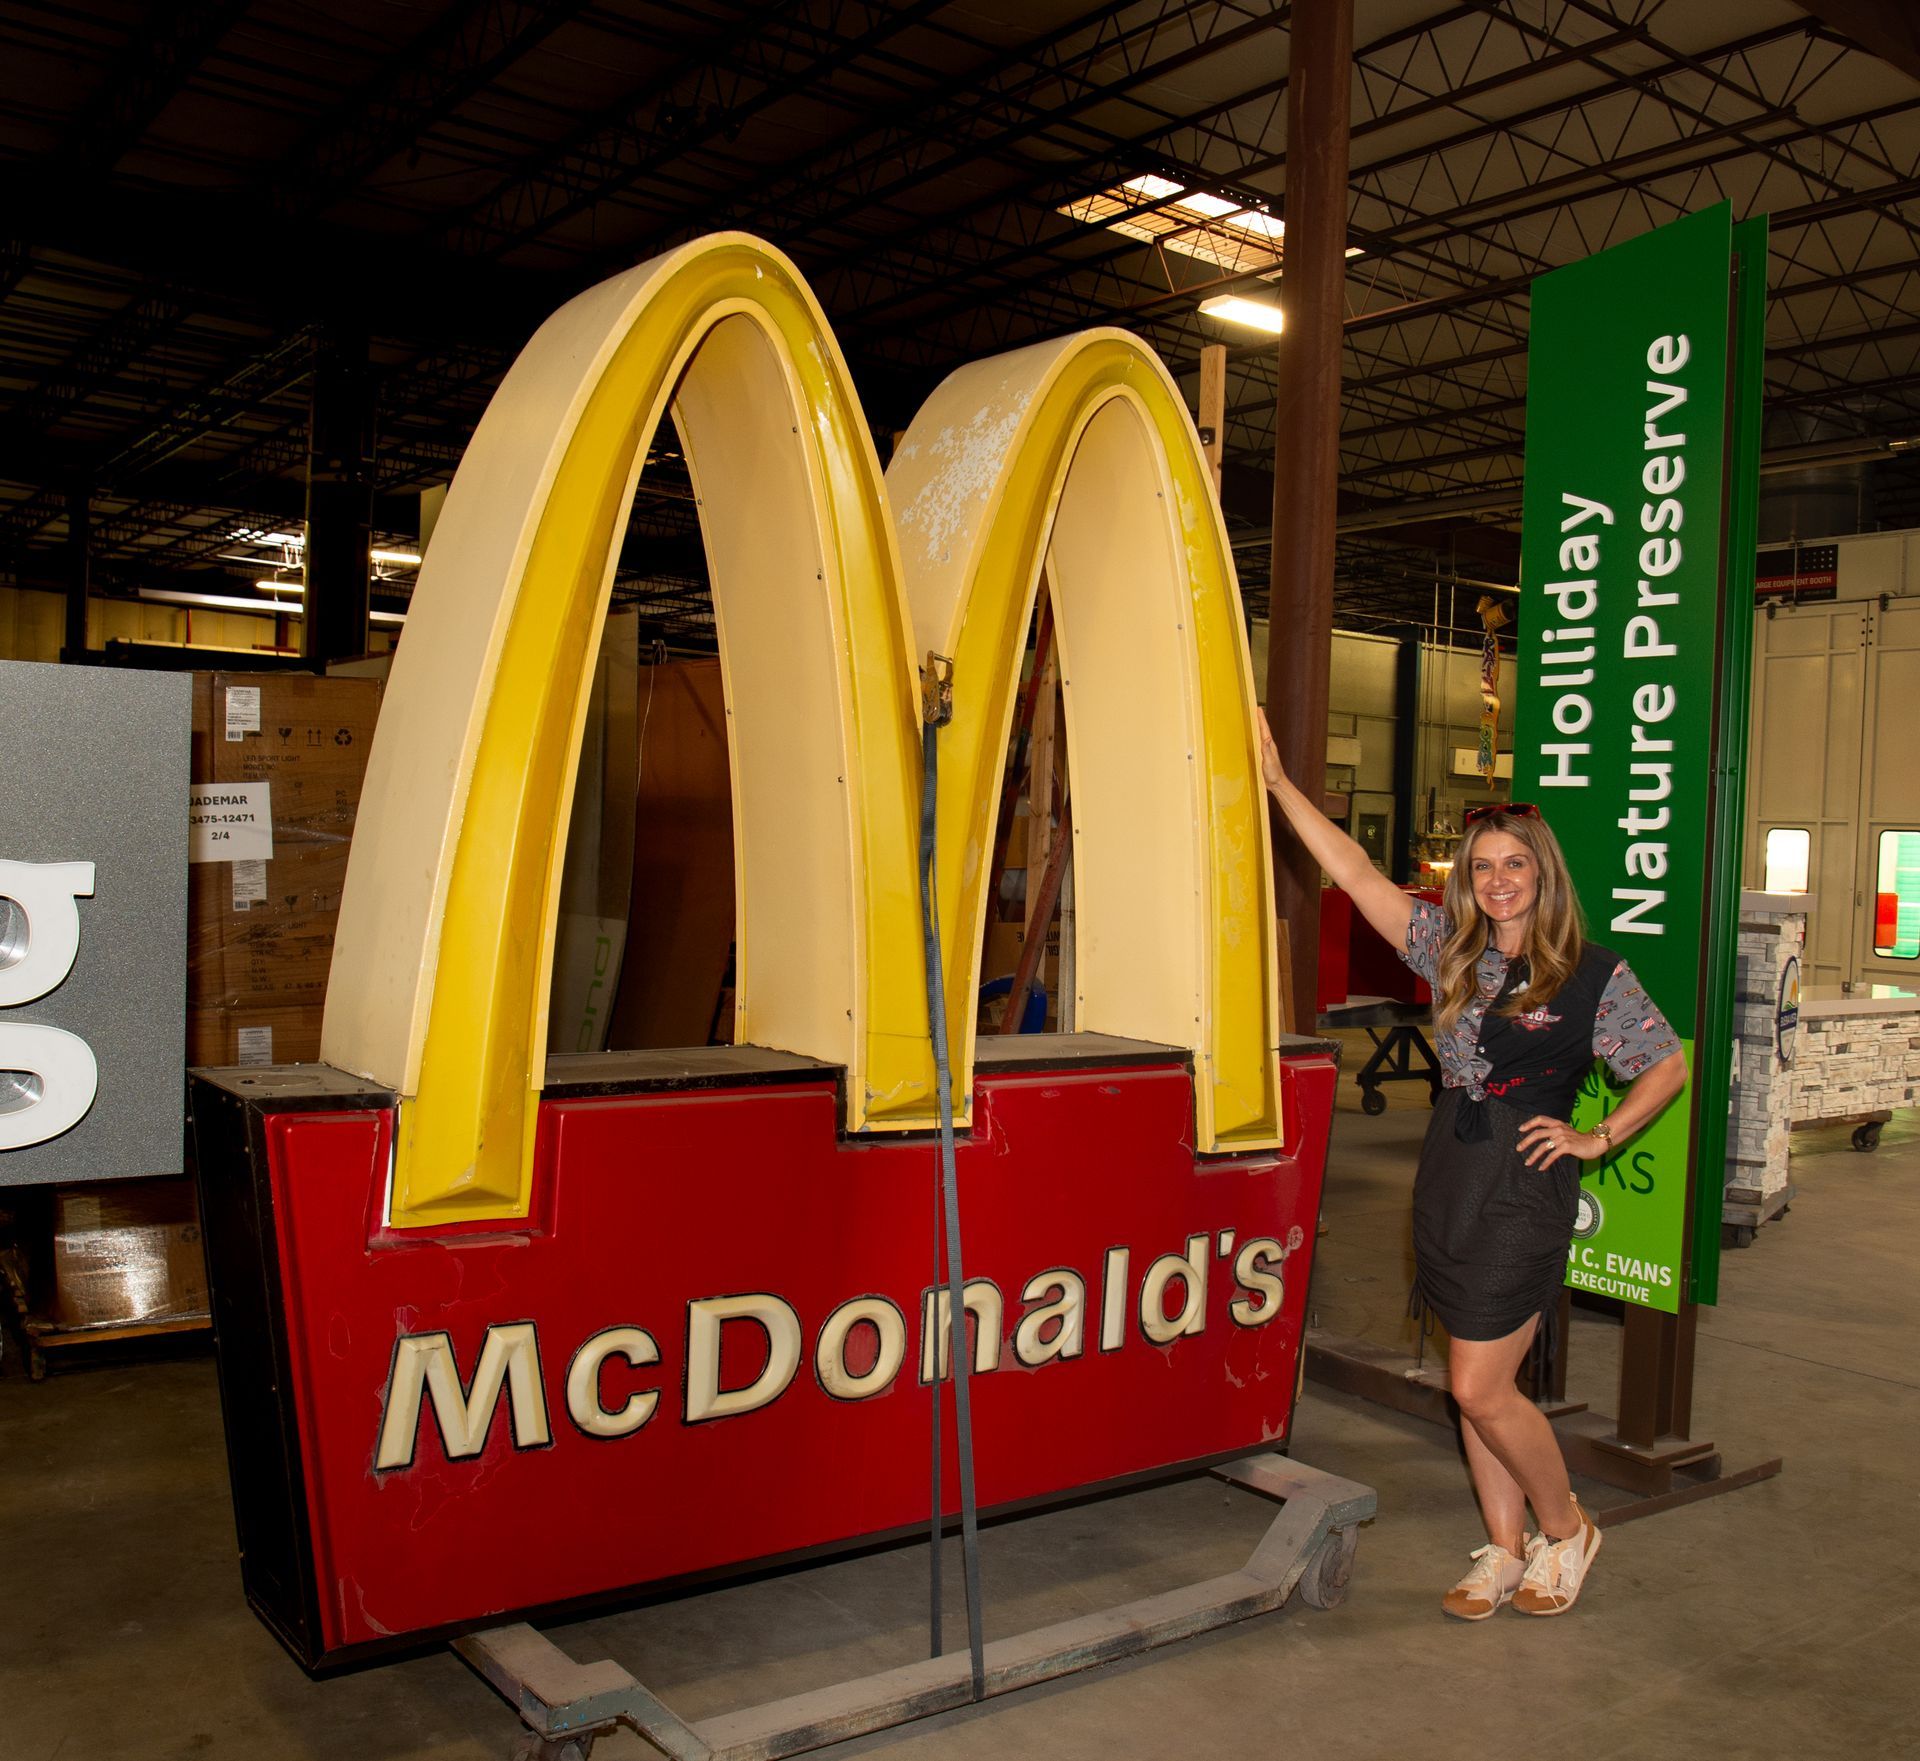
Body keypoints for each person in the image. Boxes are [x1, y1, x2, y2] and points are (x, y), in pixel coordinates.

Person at [1258, 712, 1687, 1619]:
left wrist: (1597, 1137)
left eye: (1513, 864)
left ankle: (1566, 1530)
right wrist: (1280, 787)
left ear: (1543, 873)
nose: (1496, 881)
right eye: (1481, 866)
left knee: (1478, 1384)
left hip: (1526, 1187)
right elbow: (1357, 873)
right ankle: (1503, 1547)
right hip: (1450, 1177)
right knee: (1476, 1384)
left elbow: (1667, 1063)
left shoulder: (1592, 975)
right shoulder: (1446, 952)